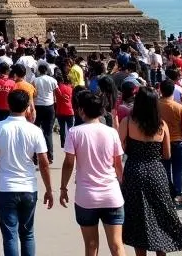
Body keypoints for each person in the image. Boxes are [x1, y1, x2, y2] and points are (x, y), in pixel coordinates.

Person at [117, 86, 182, 256]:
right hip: (156, 171)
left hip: (134, 170)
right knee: (161, 215)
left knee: (138, 217)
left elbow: (119, 149)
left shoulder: (127, 122)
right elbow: (167, 154)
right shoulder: (161, 125)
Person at [0, 88, 53, 256]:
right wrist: (49, 190)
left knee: (10, 236)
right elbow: (44, 163)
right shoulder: (35, 130)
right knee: (28, 234)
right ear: (28, 106)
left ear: (8, 104)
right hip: (29, 187)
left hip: (6, 188)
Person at [59, 91, 124, 256]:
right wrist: (123, 185)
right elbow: (118, 164)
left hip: (86, 196)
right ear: (102, 111)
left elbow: (68, 163)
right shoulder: (112, 132)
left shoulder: (74, 132)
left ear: (81, 111)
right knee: (117, 246)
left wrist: (63, 188)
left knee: (91, 245)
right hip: (111, 194)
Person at [158, 79, 182, 205]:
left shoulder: (156, 105)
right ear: (173, 91)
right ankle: (178, 194)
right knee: (178, 171)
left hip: (161, 142)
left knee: (164, 170)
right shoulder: (179, 107)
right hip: (178, 142)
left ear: (160, 90)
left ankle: (167, 194)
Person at [32, 62, 59, 163]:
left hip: (38, 106)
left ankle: (35, 157)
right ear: (47, 71)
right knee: (48, 133)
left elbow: (33, 93)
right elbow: (57, 93)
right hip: (49, 107)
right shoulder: (53, 80)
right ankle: (50, 156)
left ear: (39, 71)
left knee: (35, 132)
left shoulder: (35, 80)